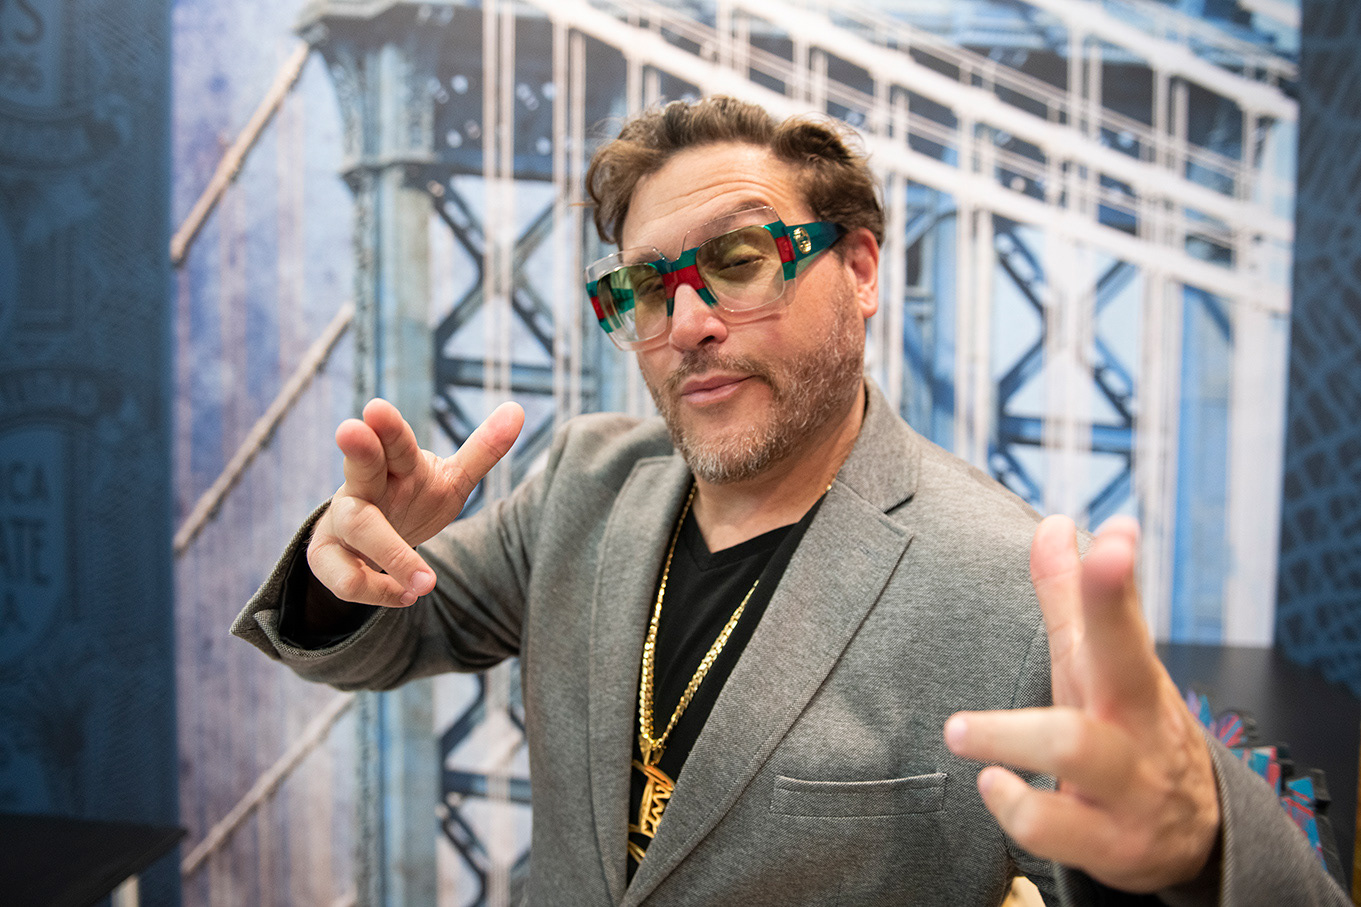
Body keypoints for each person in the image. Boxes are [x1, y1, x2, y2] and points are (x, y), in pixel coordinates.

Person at [235, 96, 1345, 905]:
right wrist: (347, 569)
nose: (687, 324)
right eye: (645, 287)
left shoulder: (1010, 582)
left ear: (859, 270)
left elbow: (1177, 845)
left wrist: (1201, 841)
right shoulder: (581, 482)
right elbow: (384, 636)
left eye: (738, 259)